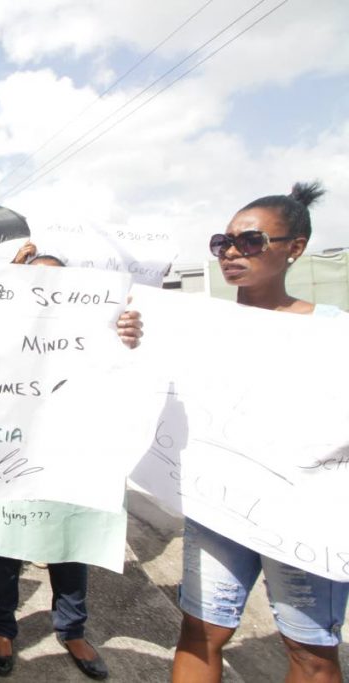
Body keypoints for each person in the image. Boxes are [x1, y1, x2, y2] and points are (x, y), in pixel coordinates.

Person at [171, 182, 348, 683]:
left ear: (296, 248)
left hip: (304, 516)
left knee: (310, 651)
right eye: (222, 242)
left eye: (250, 242)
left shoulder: (334, 332)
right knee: (200, 633)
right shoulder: (197, 324)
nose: (231, 252)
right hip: (217, 506)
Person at [0, 242, 141, 680]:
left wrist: (125, 338)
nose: (47, 289)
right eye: (36, 281)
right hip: (9, 453)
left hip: (71, 455)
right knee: (3, 543)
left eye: (57, 282)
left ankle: (72, 629)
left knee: (71, 542)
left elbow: (125, 374)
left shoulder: (93, 334)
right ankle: (0, 627)